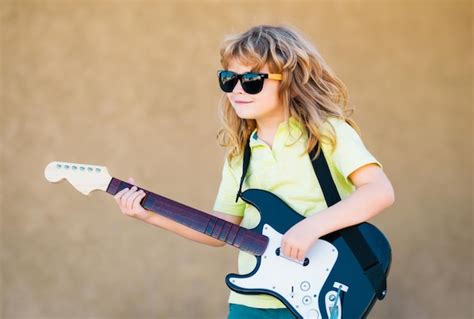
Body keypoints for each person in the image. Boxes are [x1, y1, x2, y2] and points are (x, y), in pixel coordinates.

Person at [113, 24, 395, 319]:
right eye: (228, 79)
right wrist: (149, 214)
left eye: (251, 80)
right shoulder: (240, 154)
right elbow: (219, 230)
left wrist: (311, 227)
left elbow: (379, 191)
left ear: (289, 81)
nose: (236, 89)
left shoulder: (327, 133)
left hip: (318, 299)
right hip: (251, 305)